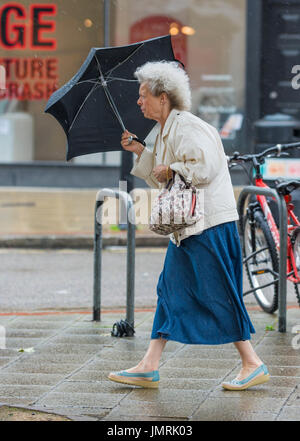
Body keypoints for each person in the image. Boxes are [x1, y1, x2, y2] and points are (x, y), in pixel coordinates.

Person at [108, 61, 270, 391]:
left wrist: (173, 169)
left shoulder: (188, 127)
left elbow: (206, 167)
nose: (139, 102)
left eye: (143, 95)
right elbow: (163, 179)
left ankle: (252, 362)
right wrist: (141, 150)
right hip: (187, 227)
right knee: (170, 291)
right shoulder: (165, 130)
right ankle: (148, 366)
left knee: (219, 293)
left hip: (209, 225)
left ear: (163, 97)